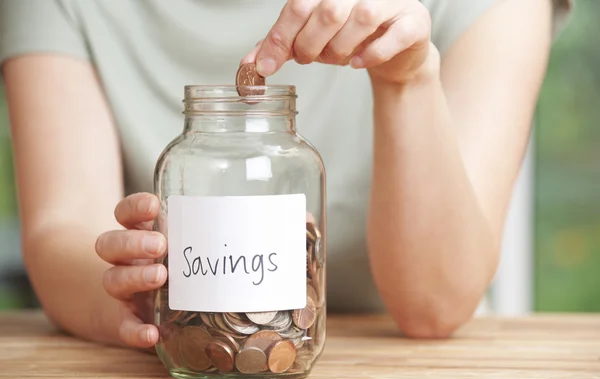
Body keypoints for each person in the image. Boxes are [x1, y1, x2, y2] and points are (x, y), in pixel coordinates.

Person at [0, 0, 571, 349]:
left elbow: (434, 306)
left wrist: (407, 79)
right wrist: (132, 290)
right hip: (180, 346)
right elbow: (62, 229)